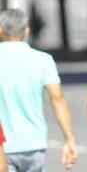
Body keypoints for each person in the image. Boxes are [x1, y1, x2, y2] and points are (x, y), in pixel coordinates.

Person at [0, 9, 78, 172]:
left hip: (3, 147)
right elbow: (57, 99)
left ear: (0, 29)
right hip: (34, 144)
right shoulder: (43, 60)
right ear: (27, 31)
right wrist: (69, 139)